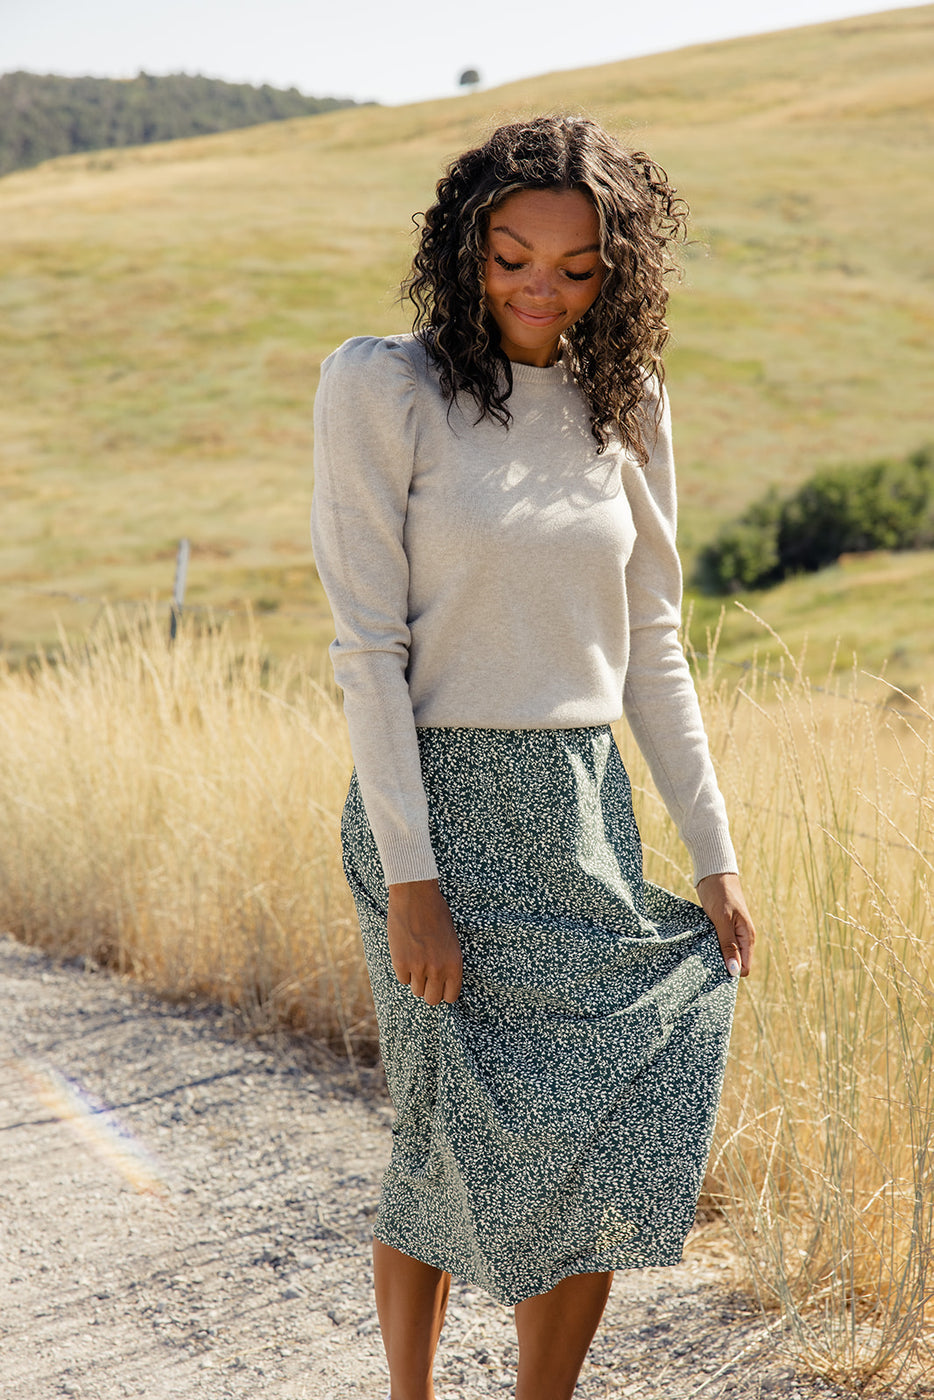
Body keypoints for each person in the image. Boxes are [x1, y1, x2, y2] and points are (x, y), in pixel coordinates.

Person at [311, 115, 756, 1400]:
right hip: (432, 807)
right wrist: (410, 874)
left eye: (575, 267)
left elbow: (653, 643)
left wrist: (712, 852)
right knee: (442, 1126)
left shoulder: (628, 405)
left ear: (619, 273)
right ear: (465, 248)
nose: (538, 289)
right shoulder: (382, 386)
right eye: (511, 256)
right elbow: (365, 650)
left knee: (604, 1122)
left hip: (582, 808)